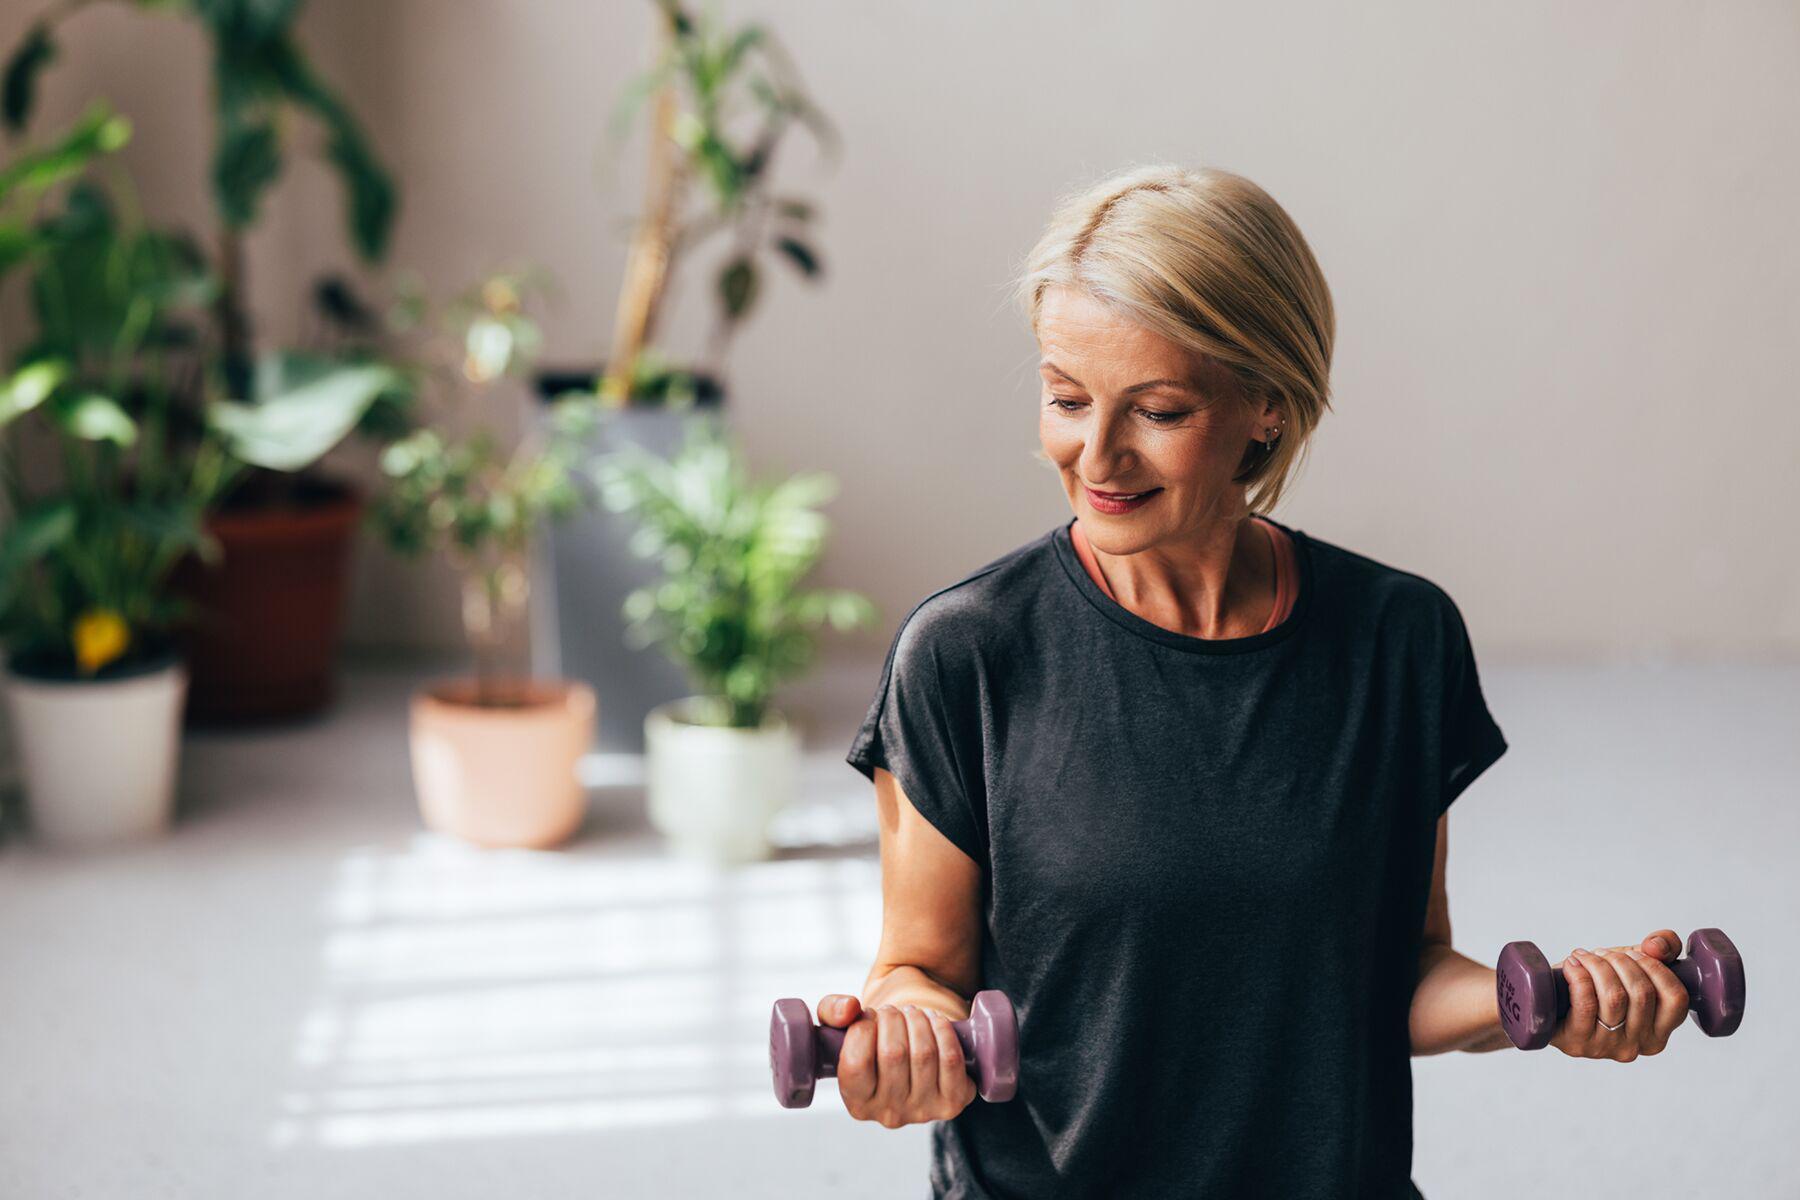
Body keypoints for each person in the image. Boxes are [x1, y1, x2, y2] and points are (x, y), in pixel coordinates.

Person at [825, 164, 1692, 1199]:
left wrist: (1554, 1000)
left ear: (1267, 407)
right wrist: (905, 1043)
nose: (1095, 454)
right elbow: (918, 969)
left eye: (1156, 409)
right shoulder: (965, 654)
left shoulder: (1397, 638)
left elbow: (1398, 974)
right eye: (1066, 397)